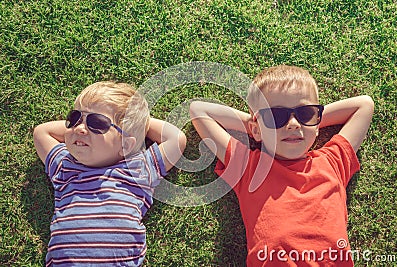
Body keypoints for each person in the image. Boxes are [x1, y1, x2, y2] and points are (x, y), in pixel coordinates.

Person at [190, 65, 374, 266]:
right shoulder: (249, 168)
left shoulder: (332, 161)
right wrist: (260, 127)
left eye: (305, 113)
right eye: (275, 116)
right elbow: (199, 111)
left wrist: (309, 124)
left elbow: (364, 105)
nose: (294, 124)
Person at [33, 81, 186, 266]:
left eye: (97, 123)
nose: (80, 128)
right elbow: (41, 132)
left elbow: (176, 139)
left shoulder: (137, 169)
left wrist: (136, 124)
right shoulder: (65, 165)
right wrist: (86, 121)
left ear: (127, 145)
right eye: (74, 118)